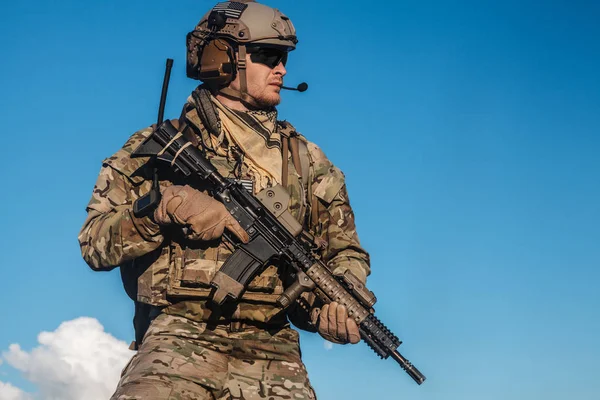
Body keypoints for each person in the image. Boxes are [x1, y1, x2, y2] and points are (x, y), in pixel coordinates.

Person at [78, 1, 370, 399]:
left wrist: (341, 298)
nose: (281, 69)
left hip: (274, 347)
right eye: (268, 56)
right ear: (223, 57)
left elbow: (344, 252)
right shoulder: (155, 149)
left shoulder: (308, 162)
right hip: (177, 337)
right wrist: (162, 206)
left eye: (283, 57)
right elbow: (94, 243)